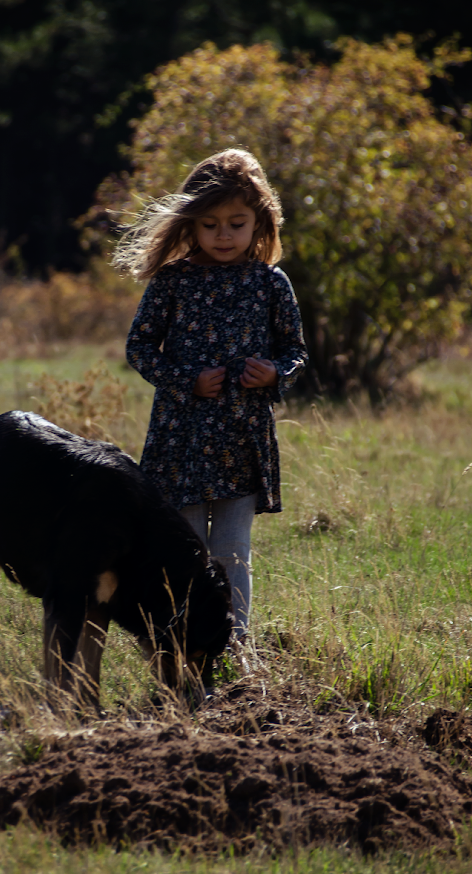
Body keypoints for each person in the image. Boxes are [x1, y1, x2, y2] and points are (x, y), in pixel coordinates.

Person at [118, 148, 307, 637]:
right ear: (191, 224)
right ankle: (181, 641)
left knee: (232, 551)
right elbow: (139, 347)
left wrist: (275, 373)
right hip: (179, 439)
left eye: (236, 224)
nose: (224, 235)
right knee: (183, 549)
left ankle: (234, 643)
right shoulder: (173, 282)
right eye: (210, 224)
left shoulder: (270, 283)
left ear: (259, 222)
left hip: (242, 441)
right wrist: (188, 380)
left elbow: (295, 350)